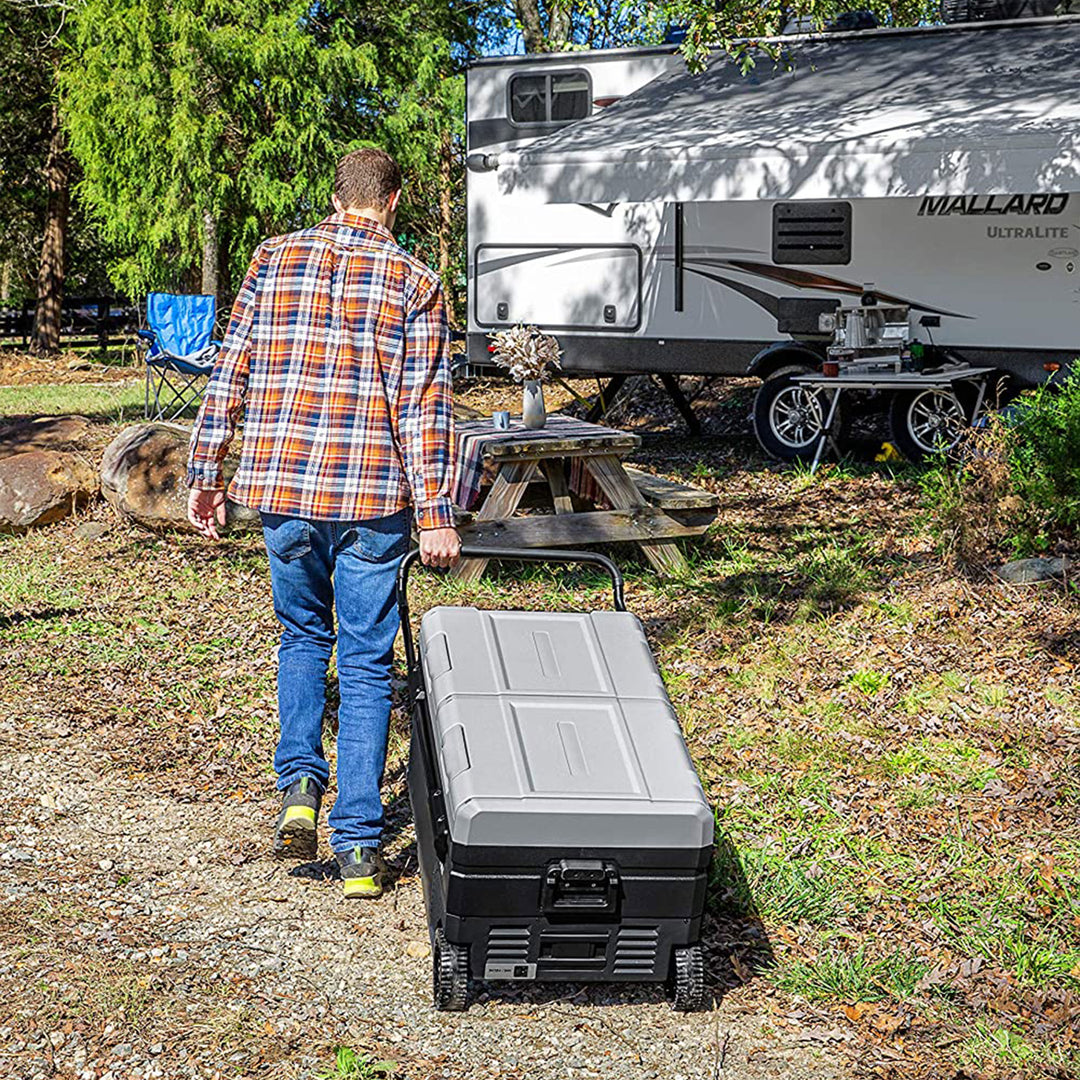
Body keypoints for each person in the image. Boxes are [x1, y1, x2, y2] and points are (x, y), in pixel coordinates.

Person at [186, 147, 460, 900]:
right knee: (369, 664)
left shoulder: (273, 258)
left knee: (302, 637)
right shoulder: (418, 281)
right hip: (373, 499)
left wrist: (207, 475)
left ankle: (299, 789)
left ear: (336, 199)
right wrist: (435, 513)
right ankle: (360, 850)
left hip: (283, 492)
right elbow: (422, 408)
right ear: (394, 201)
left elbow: (229, 371)